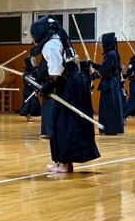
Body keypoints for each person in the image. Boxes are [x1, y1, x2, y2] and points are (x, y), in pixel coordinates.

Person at [30, 15, 100, 173]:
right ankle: (63, 162)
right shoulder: (60, 39)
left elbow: (56, 72)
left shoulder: (51, 45)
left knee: (64, 124)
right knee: (64, 123)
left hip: (67, 86)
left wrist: (46, 87)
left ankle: (64, 164)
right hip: (73, 84)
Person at [91, 32, 124, 135]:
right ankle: (114, 128)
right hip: (112, 83)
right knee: (112, 105)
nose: (101, 45)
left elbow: (104, 70)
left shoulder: (110, 54)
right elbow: (105, 67)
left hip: (110, 84)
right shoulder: (113, 53)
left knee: (108, 106)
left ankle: (110, 129)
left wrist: (93, 76)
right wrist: (93, 65)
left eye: (102, 43)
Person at [19, 56, 42, 123]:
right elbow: (26, 82)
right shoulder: (26, 73)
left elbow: (38, 81)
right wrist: (32, 89)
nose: (34, 62)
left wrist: (37, 89)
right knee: (29, 103)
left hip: (35, 89)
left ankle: (30, 115)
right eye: (33, 61)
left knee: (34, 103)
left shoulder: (36, 71)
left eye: (34, 61)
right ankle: (28, 116)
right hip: (28, 90)